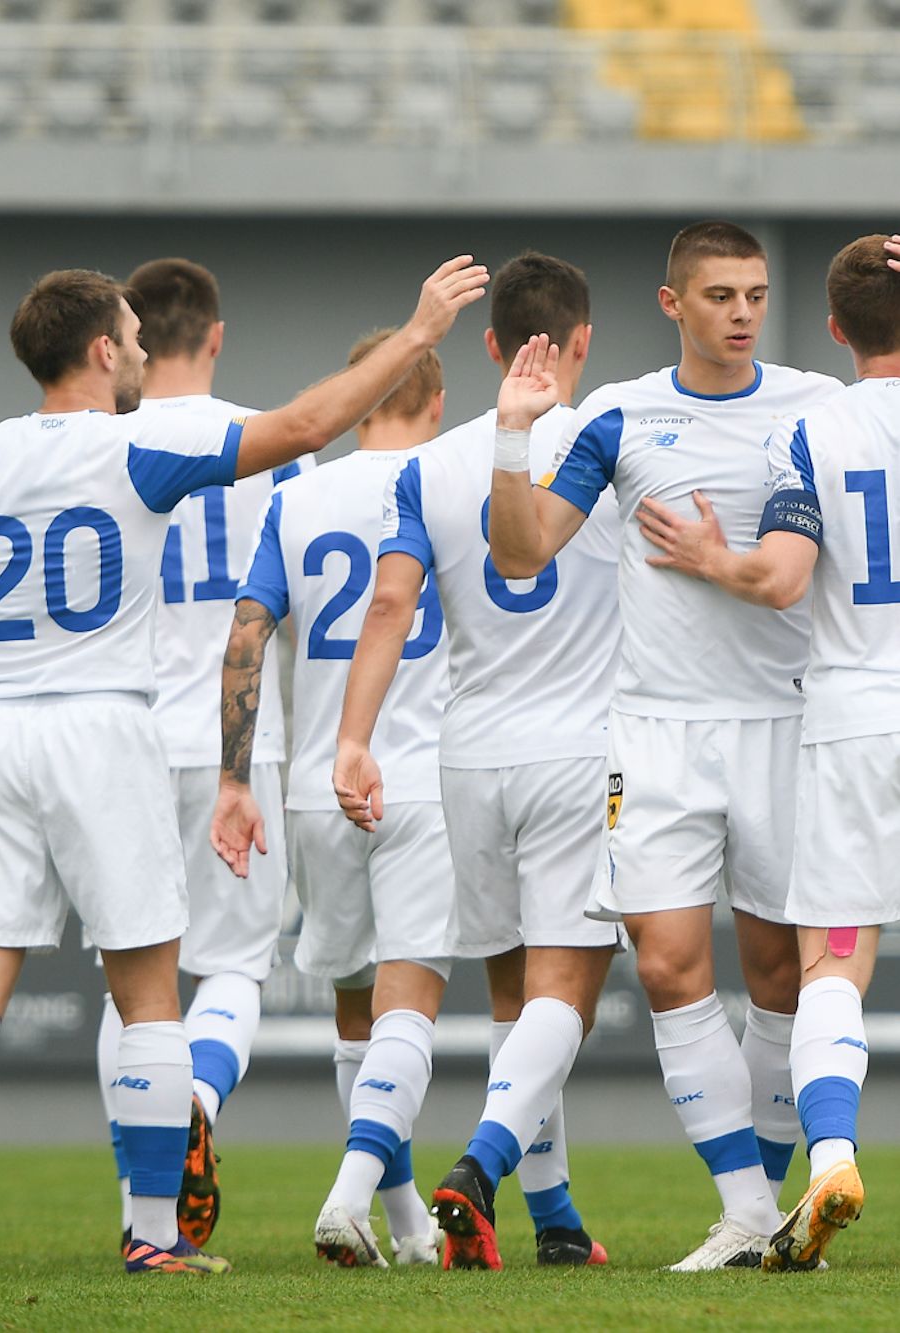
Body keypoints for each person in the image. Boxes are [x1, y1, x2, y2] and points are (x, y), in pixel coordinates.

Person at [0, 256, 488, 1278]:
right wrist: (419, 332)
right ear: (104, 349)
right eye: (125, 335)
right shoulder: (138, 445)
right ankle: (153, 1232)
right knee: (153, 989)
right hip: (110, 729)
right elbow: (300, 429)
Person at [484, 221, 843, 1271]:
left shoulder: (813, 408)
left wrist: (714, 558)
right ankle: (743, 1212)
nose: (740, 313)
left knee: (778, 975)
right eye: (720, 295)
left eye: (754, 294)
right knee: (670, 961)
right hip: (653, 733)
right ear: (671, 304)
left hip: (785, 718)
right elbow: (520, 554)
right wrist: (513, 434)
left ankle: (767, 1212)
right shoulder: (617, 413)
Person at [335, 252, 620, 1270]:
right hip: (584, 748)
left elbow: (389, 603)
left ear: (493, 345)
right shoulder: (614, 435)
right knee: (564, 996)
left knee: (511, 1000)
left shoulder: (426, 466)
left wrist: (355, 737)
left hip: (466, 753)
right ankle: (481, 1166)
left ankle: (553, 1220)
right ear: (580, 342)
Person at [636, 232, 900, 1272]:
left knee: (834, 960)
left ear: (833, 330)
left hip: (849, 718)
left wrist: (710, 555)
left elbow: (783, 579)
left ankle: (830, 1154)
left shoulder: (815, 431)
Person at [211, 328, 453, 1269]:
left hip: (318, 782)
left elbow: (245, 634)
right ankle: (350, 1197)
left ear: (357, 401)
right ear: (434, 403)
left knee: (355, 1007)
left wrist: (237, 775)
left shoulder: (296, 496)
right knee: (410, 1003)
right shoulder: (448, 484)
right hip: (420, 773)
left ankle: (404, 1226)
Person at [93, 257, 308, 1253]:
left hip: (123, 737)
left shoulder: (93, 447)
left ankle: (141, 1198)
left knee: (135, 979)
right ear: (215, 336)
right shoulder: (275, 449)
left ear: (133, 337)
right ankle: (201, 1104)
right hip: (237, 739)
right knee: (231, 969)